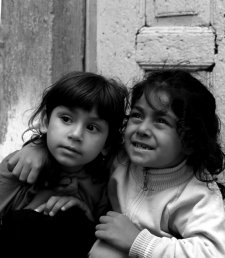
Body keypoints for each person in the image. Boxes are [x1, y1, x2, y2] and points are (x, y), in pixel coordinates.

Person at [8, 70, 225, 258]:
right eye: (137, 115)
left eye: (161, 121)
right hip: (99, 246)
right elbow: (74, 144)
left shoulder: (196, 194)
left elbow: (213, 252)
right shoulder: (121, 158)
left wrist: (138, 241)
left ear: (190, 141)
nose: (142, 129)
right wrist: (37, 148)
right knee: (32, 224)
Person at [0, 71, 129, 258]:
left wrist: (82, 212)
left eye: (92, 127)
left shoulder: (102, 182)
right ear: (45, 121)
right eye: (66, 119)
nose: (76, 134)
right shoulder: (21, 165)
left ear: (107, 144)